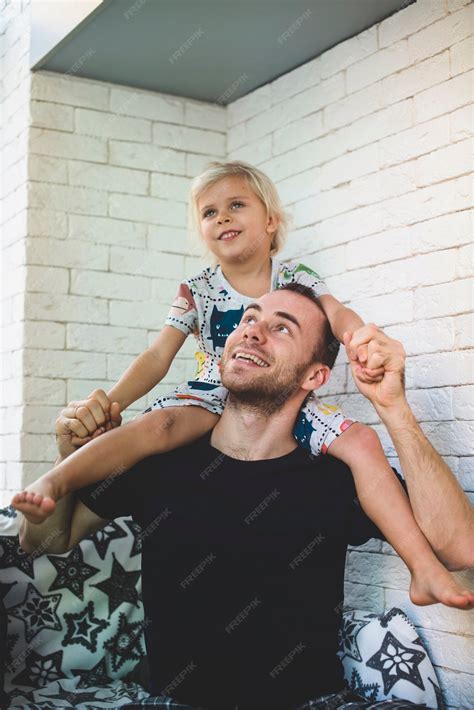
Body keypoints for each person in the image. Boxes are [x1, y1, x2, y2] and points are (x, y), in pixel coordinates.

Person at [10, 161, 468, 609]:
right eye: (209, 212)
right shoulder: (198, 288)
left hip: (286, 400)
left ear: (271, 221)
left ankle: (422, 569)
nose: (222, 217)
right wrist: (108, 406)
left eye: (235, 205)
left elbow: (337, 312)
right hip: (210, 388)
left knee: (364, 441)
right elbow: (157, 356)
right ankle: (54, 479)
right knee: (160, 423)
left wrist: (361, 339)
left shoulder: (297, 279)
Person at [18, 285, 474, 710]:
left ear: (315, 376)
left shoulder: (341, 475)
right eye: (248, 319)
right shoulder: (159, 461)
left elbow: (459, 548)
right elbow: (46, 540)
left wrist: (393, 407)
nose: (252, 330)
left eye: (281, 328)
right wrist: (65, 458)